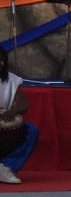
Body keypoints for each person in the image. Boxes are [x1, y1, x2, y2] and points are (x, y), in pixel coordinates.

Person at [0, 45, 34, 185]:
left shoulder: (12, 80)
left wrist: (12, 111)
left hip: (4, 118)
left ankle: (7, 166)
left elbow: (23, 103)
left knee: (32, 131)